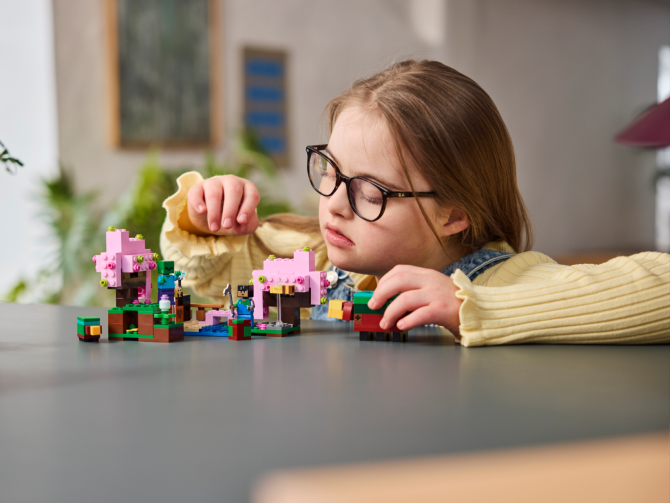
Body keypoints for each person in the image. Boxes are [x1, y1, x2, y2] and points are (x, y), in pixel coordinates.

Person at [160, 59, 669, 346]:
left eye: (369, 190)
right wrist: (209, 220)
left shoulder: (501, 282)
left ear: (454, 213)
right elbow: (208, 283)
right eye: (331, 171)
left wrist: (477, 307)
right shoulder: (316, 253)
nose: (334, 204)